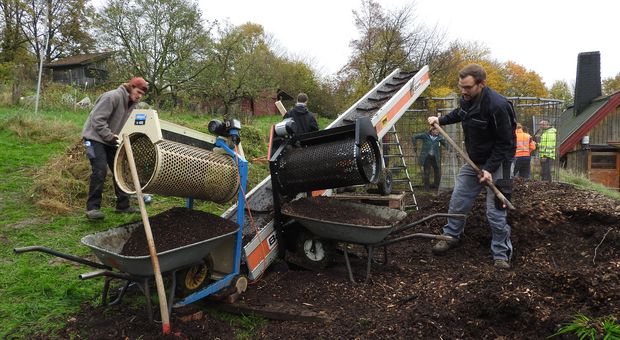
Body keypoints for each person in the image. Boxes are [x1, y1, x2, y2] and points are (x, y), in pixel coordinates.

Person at [427, 64, 516, 270]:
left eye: (467, 87)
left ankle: (501, 254)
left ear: (481, 84)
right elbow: (460, 113)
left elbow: (506, 143)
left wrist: (490, 169)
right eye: (461, 87)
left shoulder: (498, 106)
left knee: (495, 211)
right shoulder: (467, 99)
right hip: (474, 161)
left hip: (499, 162)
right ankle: (450, 235)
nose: (463, 91)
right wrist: (440, 119)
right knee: (459, 198)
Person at [81, 77, 148, 220]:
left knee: (121, 171)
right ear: (131, 87)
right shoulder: (112, 97)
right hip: (92, 138)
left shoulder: (132, 105)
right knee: (100, 169)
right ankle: (92, 208)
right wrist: (109, 136)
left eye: (142, 94)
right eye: (138, 92)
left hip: (110, 140)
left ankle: (123, 206)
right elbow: (97, 119)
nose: (139, 96)